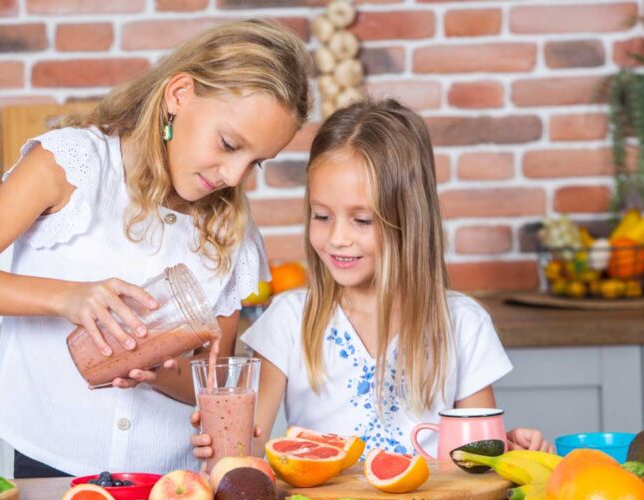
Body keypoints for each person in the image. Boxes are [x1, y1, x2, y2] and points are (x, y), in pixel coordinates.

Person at [0, 20, 312, 478]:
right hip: (53, 464)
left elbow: (210, 381)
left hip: (170, 480)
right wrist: (67, 297)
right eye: (228, 145)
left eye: (255, 161)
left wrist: (159, 373)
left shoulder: (232, 233)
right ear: (179, 94)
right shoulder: (72, 165)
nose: (235, 176)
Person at [192, 98, 551, 464]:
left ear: (409, 219)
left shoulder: (463, 324)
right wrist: (222, 446)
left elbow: (477, 457)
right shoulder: (289, 320)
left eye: (362, 221)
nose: (337, 238)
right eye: (322, 216)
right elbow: (246, 450)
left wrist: (509, 452)